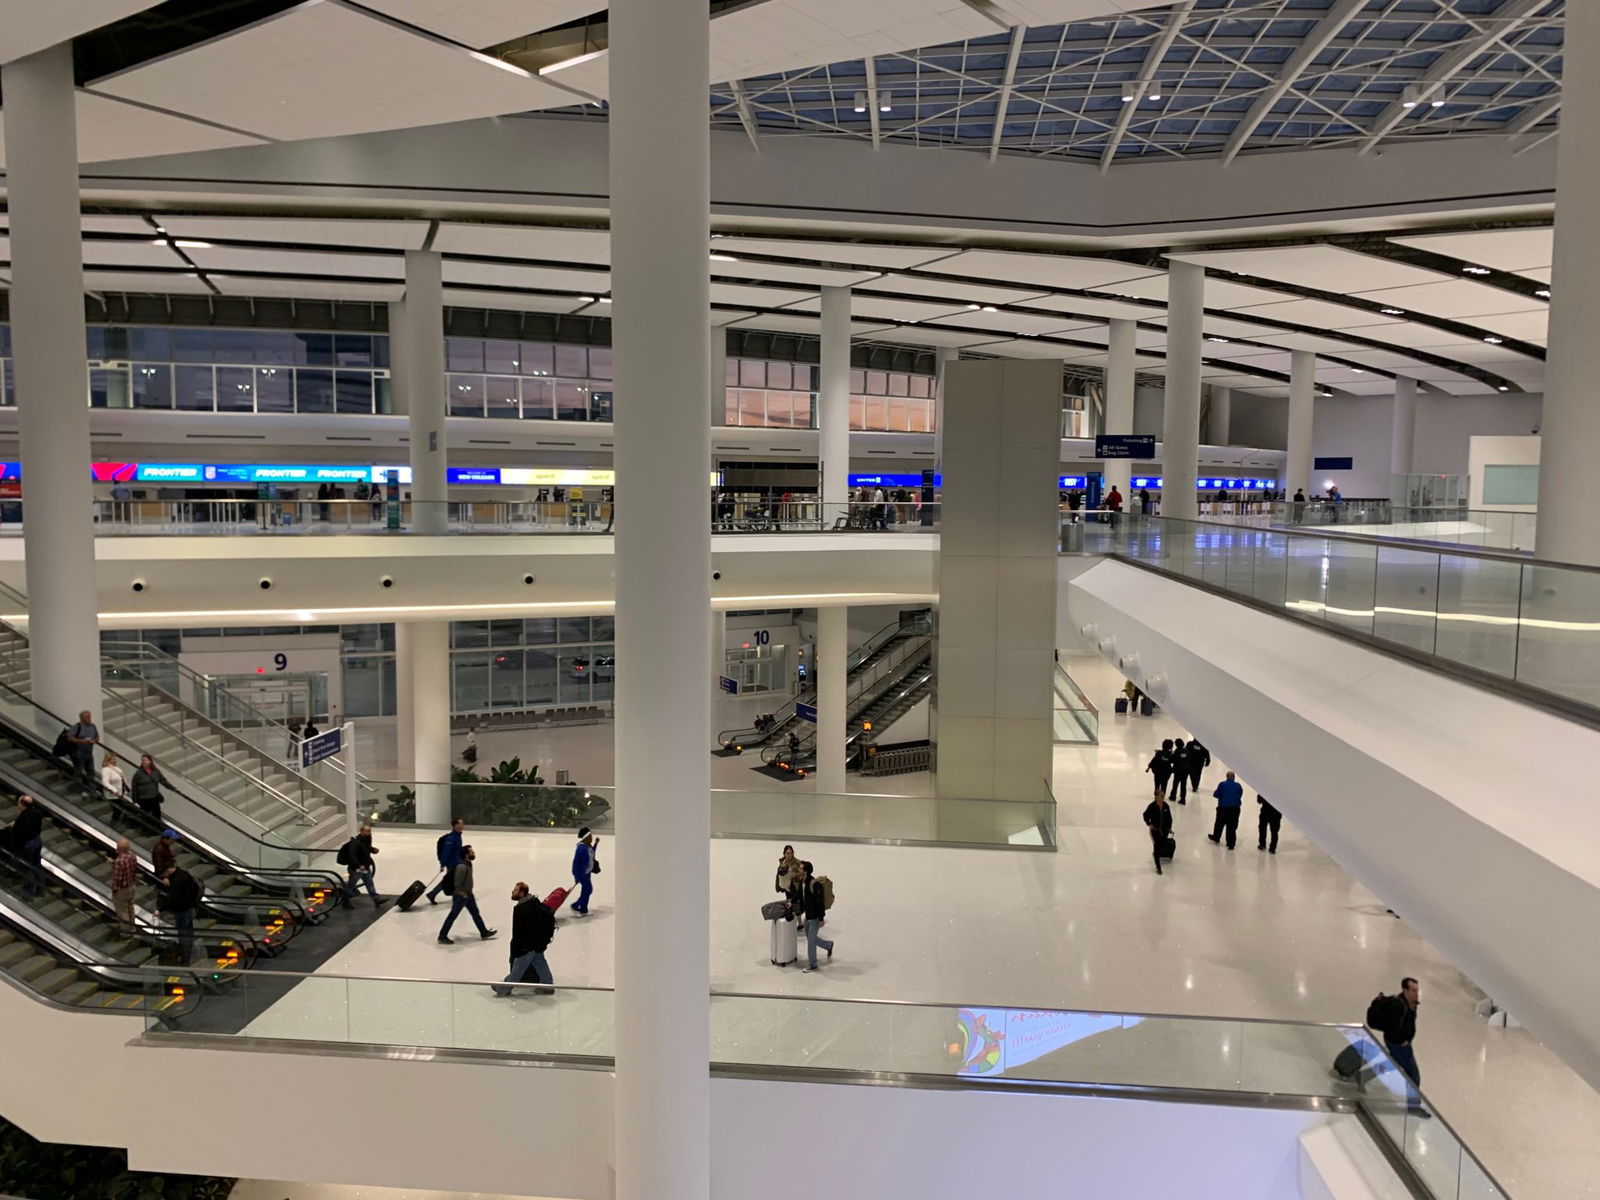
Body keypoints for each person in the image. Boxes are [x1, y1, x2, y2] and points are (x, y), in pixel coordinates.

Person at [493, 881, 556, 996]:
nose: (513, 891)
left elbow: (521, 931)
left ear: (522, 893)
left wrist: (518, 948)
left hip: (527, 946)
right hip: (536, 944)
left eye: (516, 890)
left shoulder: (523, 909)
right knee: (540, 963)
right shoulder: (533, 903)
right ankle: (548, 985)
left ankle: (504, 988)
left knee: (518, 968)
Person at [1383, 977, 1429, 1117]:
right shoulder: (1399, 1005)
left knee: (1392, 1065)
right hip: (1399, 1044)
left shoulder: (1412, 1004)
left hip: (1402, 1044)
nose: (1417, 993)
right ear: (1405, 990)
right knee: (1413, 1074)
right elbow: (1391, 1027)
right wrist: (1402, 1041)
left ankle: (1363, 1076)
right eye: (1414, 990)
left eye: (1418, 990)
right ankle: (1413, 1106)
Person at [437, 845, 496, 944]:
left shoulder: (468, 864)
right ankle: (442, 936)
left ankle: (484, 932)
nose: (474, 854)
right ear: (466, 854)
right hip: (461, 895)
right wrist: (463, 894)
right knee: (453, 915)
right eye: (472, 852)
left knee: (475, 913)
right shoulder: (462, 866)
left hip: (468, 894)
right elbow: (457, 883)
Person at [157, 863, 201, 963]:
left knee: (183, 935)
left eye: (165, 874)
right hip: (189, 908)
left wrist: (160, 909)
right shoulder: (184, 873)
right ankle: (192, 956)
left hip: (181, 910)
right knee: (189, 932)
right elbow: (195, 888)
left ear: (168, 870)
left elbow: (173, 897)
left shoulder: (176, 880)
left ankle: (185, 960)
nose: (165, 876)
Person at [7, 795, 45, 895]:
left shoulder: (25, 817)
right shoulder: (36, 812)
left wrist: (13, 828)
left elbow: (20, 833)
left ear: (23, 805)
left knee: (27, 866)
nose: (17, 804)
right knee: (36, 865)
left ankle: (27, 891)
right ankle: (40, 889)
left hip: (29, 844)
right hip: (37, 841)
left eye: (19, 802)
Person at [799, 861, 833, 972]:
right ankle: (828, 945)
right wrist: (791, 901)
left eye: (800, 868)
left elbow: (820, 902)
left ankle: (813, 965)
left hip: (815, 918)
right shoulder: (802, 882)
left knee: (811, 943)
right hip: (808, 916)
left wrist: (822, 918)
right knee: (811, 939)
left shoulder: (814, 884)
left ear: (805, 871)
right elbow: (799, 895)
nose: (798, 870)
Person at [342, 823, 385, 908]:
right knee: (351, 884)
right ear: (361, 832)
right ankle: (345, 900)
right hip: (357, 868)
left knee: (369, 883)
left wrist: (373, 850)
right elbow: (352, 855)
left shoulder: (366, 840)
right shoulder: (356, 842)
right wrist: (359, 865)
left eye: (370, 831)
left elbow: (366, 850)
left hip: (364, 867)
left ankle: (376, 899)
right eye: (367, 831)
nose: (369, 833)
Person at [426, 817, 465, 904]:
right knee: (448, 881)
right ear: (455, 825)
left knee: (451, 880)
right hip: (452, 863)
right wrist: (442, 864)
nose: (462, 826)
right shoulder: (451, 838)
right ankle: (432, 894)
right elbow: (446, 852)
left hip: (456, 862)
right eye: (461, 824)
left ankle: (432, 894)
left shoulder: (458, 836)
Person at [1208, 770, 1244, 849]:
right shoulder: (1238, 786)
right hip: (1235, 809)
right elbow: (1240, 794)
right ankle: (1231, 844)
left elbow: (1216, 794)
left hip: (1223, 808)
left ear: (1226, 777)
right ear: (1234, 778)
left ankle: (1216, 838)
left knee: (1219, 824)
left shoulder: (1222, 784)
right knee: (1232, 826)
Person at [64, 711, 99, 788]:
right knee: (79, 770)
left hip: (89, 753)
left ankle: (92, 787)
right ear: (82, 718)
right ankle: (78, 786)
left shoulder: (92, 726)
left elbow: (97, 736)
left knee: (90, 771)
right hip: (78, 753)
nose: (89, 719)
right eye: (87, 717)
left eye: (90, 717)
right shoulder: (77, 727)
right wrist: (81, 741)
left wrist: (94, 741)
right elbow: (69, 737)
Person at [110, 837, 138, 936]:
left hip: (122, 890)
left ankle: (125, 933)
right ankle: (133, 928)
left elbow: (117, 879)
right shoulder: (132, 856)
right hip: (131, 886)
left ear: (120, 848)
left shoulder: (119, 861)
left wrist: (114, 891)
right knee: (130, 908)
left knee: (122, 912)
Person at [130, 754, 170, 824]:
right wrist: (134, 799)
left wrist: (172, 788)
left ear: (150, 761)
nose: (144, 762)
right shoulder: (139, 773)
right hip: (144, 799)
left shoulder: (155, 771)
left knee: (156, 814)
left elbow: (163, 781)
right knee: (146, 816)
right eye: (142, 760)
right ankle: (146, 830)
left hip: (154, 797)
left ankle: (156, 829)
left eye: (145, 760)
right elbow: (134, 786)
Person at [1142, 791, 1173, 875]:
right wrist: (1149, 824)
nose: (1162, 798)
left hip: (1164, 830)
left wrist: (1169, 828)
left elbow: (1169, 818)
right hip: (1155, 830)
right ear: (1156, 797)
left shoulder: (1166, 806)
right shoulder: (1152, 806)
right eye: (1161, 796)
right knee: (1157, 846)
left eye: (1163, 796)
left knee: (1161, 844)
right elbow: (1145, 815)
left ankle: (1157, 853)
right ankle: (1158, 867)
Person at [569, 827, 597, 916]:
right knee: (588, 889)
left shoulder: (588, 847)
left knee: (586, 890)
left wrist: (596, 844)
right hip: (582, 874)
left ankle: (581, 906)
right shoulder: (581, 849)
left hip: (587, 872)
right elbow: (575, 863)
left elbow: (592, 852)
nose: (592, 838)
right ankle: (578, 905)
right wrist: (576, 876)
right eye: (590, 837)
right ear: (586, 838)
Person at [1169, 737, 1190, 803]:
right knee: (1183, 785)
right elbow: (1189, 759)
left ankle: (1173, 796)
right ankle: (1183, 799)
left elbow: (1172, 760)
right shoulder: (1186, 751)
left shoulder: (1176, 751)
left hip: (1178, 771)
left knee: (1175, 784)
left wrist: (1171, 754)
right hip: (1185, 771)